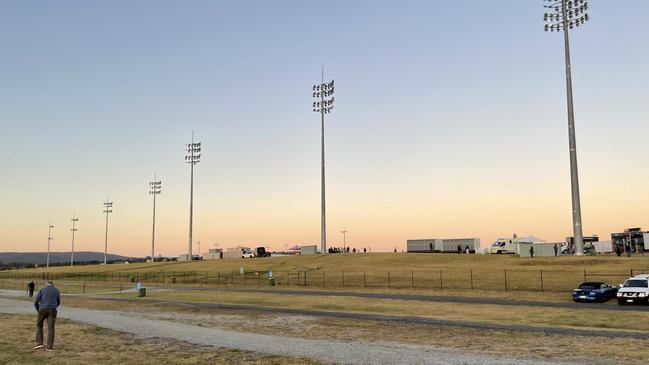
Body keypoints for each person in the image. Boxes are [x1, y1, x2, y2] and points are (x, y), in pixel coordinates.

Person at [34, 280, 60, 351]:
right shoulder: (56, 290)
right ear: (53, 284)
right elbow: (58, 301)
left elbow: (36, 302)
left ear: (46, 284)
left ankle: (39, 343)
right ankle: (49, 347)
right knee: (51, 328)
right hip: (52, 310)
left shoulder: (42, 289)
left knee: (39, 325)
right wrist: (54, 306)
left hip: (42, 309)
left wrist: (38, 310)